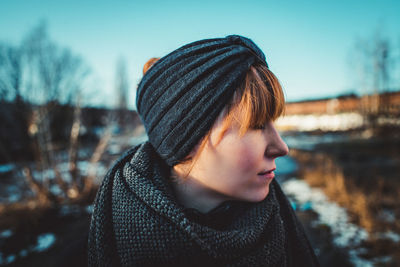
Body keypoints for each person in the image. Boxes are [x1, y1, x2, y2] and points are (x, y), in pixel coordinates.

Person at [88, 35, 319, 266]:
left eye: (272, 124)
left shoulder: (275, 224)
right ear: (185, 139)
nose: (282, 147)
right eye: (256, 126)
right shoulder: (125, 240)